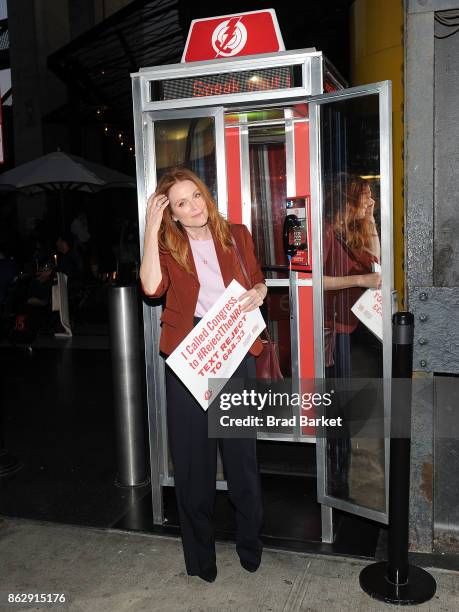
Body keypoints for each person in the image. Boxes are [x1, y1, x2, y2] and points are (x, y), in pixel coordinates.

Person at [139, 167, 267, 583]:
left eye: (195, 196)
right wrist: (150, 228)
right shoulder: (165, 244)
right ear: (171, 213)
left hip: (233, 344)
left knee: (240, 458)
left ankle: (251, 544)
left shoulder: (237, 233)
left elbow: (260, 281)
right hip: (191, 351)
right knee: (194, 463)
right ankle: (201, 558)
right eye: (180, 203)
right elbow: (151, 289)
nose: (193, 207)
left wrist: (258, 294)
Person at [323, 176, 381, 378]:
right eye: (366, 196)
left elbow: (375, 261)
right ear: (349, 201)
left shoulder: (351, 231)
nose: (370, 202)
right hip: (335, 327)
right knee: (338, 391)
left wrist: (371, 219)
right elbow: (312, 281)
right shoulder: (326, 232)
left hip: (353, 323)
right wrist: (360, 280)